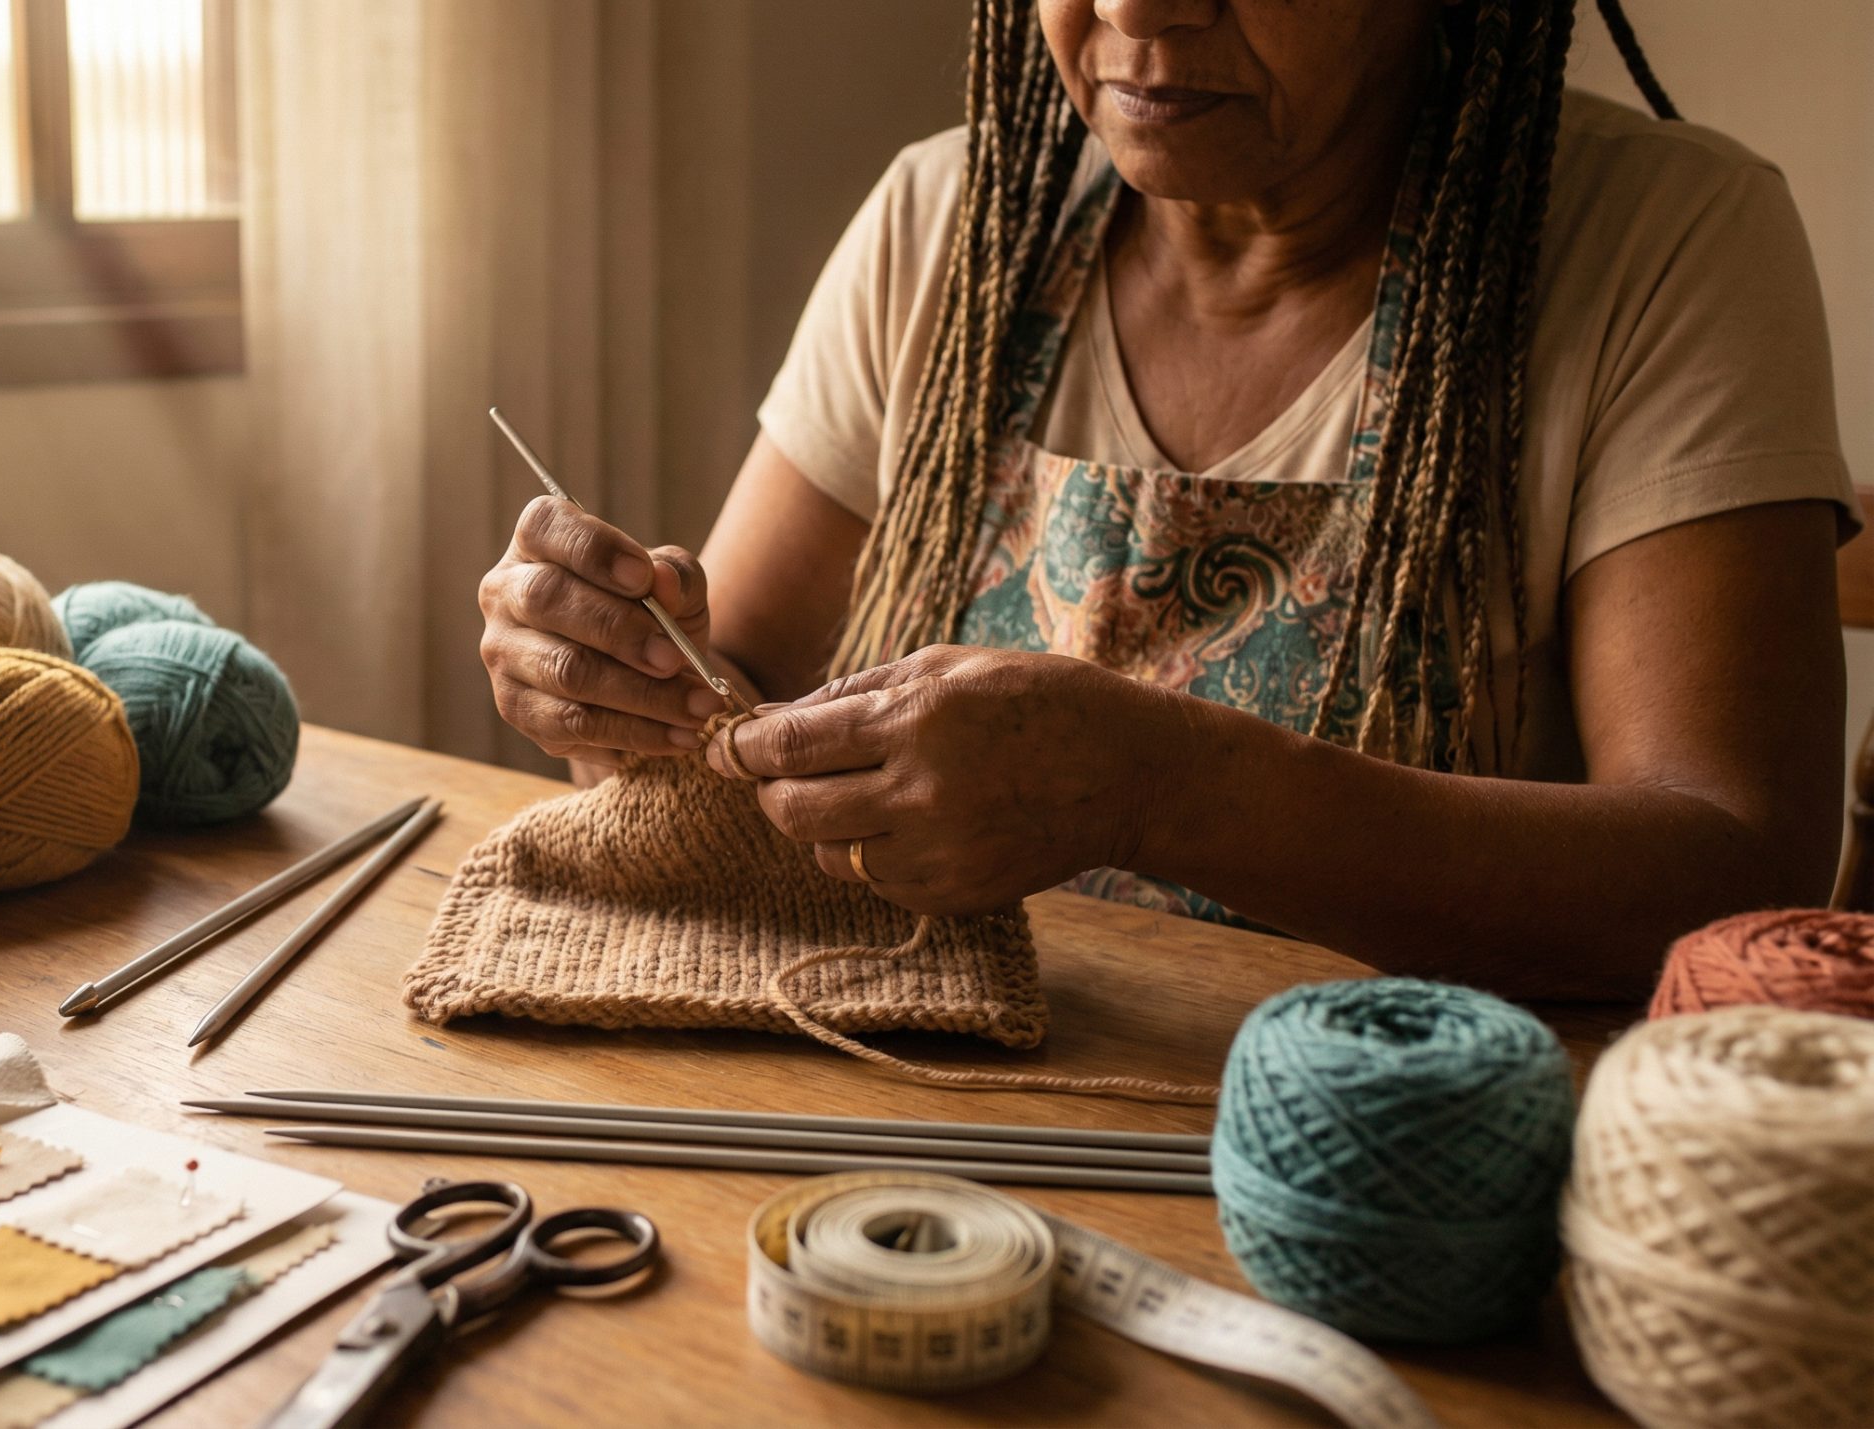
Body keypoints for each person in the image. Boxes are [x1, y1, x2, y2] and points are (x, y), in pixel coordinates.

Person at [475, 0, 1856, 998]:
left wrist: (1155, 787)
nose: (1136, 8)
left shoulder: (1664, 241)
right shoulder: (953, 218)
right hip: (928, 1124)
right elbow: (738, 701)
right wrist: (624, 683)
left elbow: (1728, 868)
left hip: (1411, 1195)